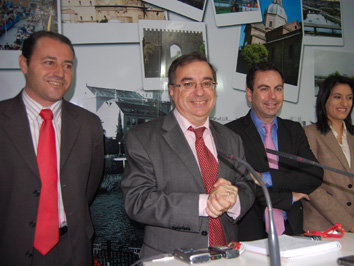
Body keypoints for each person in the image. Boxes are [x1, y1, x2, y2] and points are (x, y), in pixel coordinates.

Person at [121, 52, 254, 258]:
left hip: (228, 257)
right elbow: (138, 201)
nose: (199, 92)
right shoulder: (143, 138)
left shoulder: (231, 138)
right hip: (172, 258)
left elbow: (247, 187)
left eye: (207, 83)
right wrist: (205, 203)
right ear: (172, 91)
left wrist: (232, 200)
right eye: (188, 84)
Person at [0, 31, 104, 265]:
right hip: (9, 251)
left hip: (72, 249)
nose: (60, 73)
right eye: (49, 62)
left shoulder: (89, 125)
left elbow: (87, 187)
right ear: (23, 64)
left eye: (67, 65)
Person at [226, 62, 323, 240]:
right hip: (249, 234)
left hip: (292, 230)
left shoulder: (294, 130)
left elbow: (314, 174)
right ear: (249, 94)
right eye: (264, 89)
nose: (273, 96)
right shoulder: (230, 133)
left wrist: (266, 178)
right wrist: (288, 198)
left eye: (278, 89)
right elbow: (239, 187)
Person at [303, 75, 354, 234]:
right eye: (337, 97)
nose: (344, 103)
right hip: (322, 228)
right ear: (324, 99)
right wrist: (349, 223)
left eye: (349, 98)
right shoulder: (309, 134)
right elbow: (312, 187)